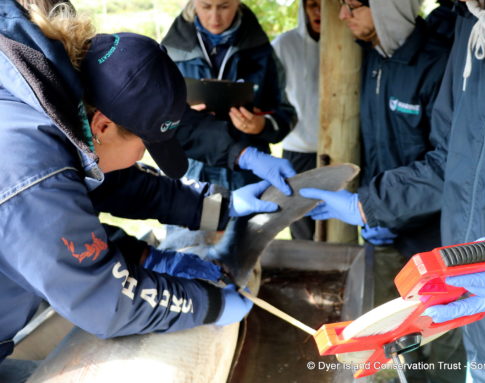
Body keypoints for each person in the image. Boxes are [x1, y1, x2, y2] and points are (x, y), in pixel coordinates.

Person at [0, 0, 283, 378]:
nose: (140, 158)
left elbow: (119, 183)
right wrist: (209, 303)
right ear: (102, 126)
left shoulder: (52, 107)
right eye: (144, 146)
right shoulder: (33, 168)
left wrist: (217, 206)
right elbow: (106, 302)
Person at [299, 0, 485, 381]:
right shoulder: (469, 30)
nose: (341, 17)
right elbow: (451, 158)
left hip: (440, 246)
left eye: (352, 6)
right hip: (462, 272)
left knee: (442, 358)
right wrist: (368, 206)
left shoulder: (433, 59)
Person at [161, 0, 297, 191]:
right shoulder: (171, 52)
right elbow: (156, 120)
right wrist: (184, 115)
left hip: (248, 176)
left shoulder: (262, 52)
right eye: (206, 7)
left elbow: (287, 115)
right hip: (191, 173)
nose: (215, 17)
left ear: (237, 3)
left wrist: (261, 125)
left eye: (224, 7)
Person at [271, 0, 320, 240]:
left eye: (324, 5)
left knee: (338, 221)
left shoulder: (355, 44)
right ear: (303, 8)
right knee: (301, 222)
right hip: (298, 150)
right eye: (312, 5)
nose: (319, 12)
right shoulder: (284, 45)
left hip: (346, 147)